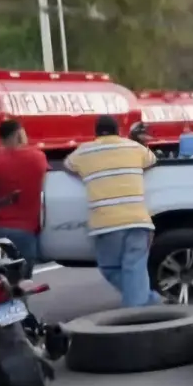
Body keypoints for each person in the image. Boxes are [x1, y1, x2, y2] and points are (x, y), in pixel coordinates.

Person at [64, 115, 163, 306]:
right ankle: (147, 301)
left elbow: (68, 166)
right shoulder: (133, 147)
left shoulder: (83, 152)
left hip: (105, 224)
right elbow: (152, 161)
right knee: (134, 269)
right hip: (137, 221)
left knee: (110, 268)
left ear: (96, 132)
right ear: (118, 131)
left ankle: (139, 315)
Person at [0, 118, 48, 278]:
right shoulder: (38, 158)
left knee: (0, 278)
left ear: (1, 139)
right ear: (19, 135)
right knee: (23, 280)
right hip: (26, 231)